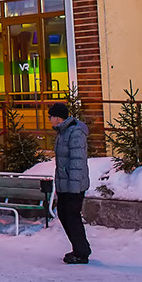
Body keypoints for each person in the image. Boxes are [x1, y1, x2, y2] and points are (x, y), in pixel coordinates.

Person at [49, 101, 92, 265]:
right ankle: (80, 248)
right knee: (63, 213)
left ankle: (81, 252)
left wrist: (73, 188)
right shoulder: (63, 132)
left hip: (73, 185)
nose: (50, 120)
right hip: (65, 183)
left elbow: (77, 161)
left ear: (58, 118)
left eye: (51, 116)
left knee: (72, 216)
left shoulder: (75, 133)